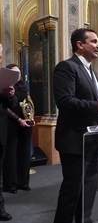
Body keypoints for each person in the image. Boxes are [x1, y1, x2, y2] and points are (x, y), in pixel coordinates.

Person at [52, 28, 98, 223]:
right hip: (74, 140)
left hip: (93, 139)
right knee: (72, 190)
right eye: (94, 41)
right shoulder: (66, 67)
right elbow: (64, 101)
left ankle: (84, 218)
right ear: (80, 44)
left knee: (89, 186)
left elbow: (94, 105)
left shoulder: (91, 71)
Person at [2, 64, 35, 194]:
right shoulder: (5, 87)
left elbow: (28, 104)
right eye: (15, 73)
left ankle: (23, 182)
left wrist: (30, 118)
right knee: (11, 155)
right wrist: (19, 120)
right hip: (12, 124)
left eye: (19, 73)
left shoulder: (23, 87)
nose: (18, 75)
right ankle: (11, 184)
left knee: (24, 154)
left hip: (26, 125)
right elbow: (7, 107)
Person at [0, 43, 13, 221]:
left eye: (0, 55)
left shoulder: (3, 75)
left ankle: (0, 207)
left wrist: (10, 95)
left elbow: (9, 105)